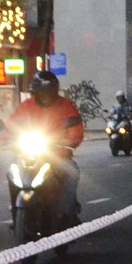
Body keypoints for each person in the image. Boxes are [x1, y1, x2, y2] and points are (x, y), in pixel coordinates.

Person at [6, 70, 85, 217]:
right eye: (41, 92)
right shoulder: (26, 106)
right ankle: (15, 211)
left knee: (72, 172)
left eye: (48, 92)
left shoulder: (66, 106)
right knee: (12, 171)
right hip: (29, 155)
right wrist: (6, 137)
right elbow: (12, 123)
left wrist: (70, 141)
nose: (45, 95)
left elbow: (76, 129)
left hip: (57, 154)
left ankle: (65, 213)